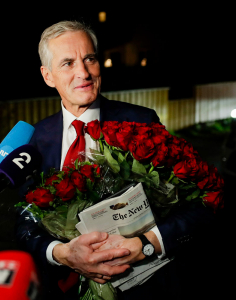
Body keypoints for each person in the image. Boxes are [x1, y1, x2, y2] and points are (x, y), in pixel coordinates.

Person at [15, 20, 216, 299]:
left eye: (90, 59)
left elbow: (200, 207)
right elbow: (24, 221)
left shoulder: (141, 123)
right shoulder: (36, 139)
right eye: (68, 63)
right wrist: (60, 253)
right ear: (47, 76)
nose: (83, 73)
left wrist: (147, 244)